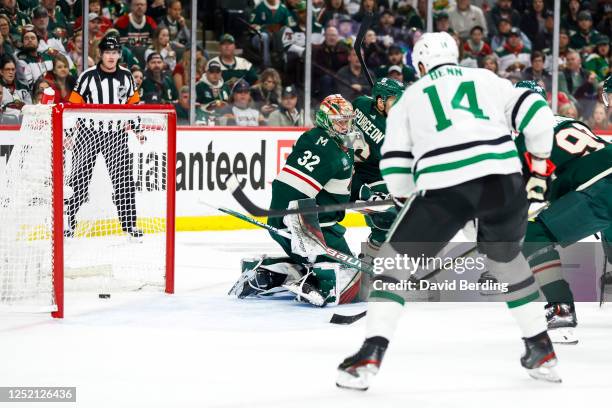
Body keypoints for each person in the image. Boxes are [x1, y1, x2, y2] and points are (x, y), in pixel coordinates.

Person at [337, 32, 560, 390]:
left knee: (392, 266)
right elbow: (537, 115)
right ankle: (542, 349)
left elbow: (394, 166)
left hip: (444, 188)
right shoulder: (488, 79)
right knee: (507, 260)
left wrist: (403, 198)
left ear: (421, 66)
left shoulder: (410, 98)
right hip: (504, 183)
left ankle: (370, 354)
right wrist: (538, 168)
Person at [229, 94, 360, 307]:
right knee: (353, 279)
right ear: (326, 120)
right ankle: (313, 281)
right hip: (313, 229)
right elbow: (290, 188)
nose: (346, 126)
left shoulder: (312, 137)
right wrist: (300, 227)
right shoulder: (331, 151)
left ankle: (268, 273)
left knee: (324, 264)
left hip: (293, 221)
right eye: (340, 121)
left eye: (348, 120)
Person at [513, 81, 612, 344]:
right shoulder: (569, 121)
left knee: (532, 233)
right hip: (604, 175)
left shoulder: (523, 135)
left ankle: (561, 309)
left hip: (601, 190)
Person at [64, 36, 143, 239]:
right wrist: (69, 134)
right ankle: (68, 223)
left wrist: (138, 129)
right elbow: (73, 108)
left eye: (114, 52)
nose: (111, 56)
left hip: (116, 135)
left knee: (124, 180)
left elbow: (133, 106)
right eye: (107, 52)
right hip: (88, 133)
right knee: (78, 180)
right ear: (100, 54)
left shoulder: (127, 77)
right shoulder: (87, 76)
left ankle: (129, 225)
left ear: (119, 54)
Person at [350, 77, 404, 253]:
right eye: (395, 101)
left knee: (391, 217)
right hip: (349, 174)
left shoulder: (397, 129)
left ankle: (372, 253)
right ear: (380, 101)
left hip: (374, 177)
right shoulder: (359, 104)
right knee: (389, 214)